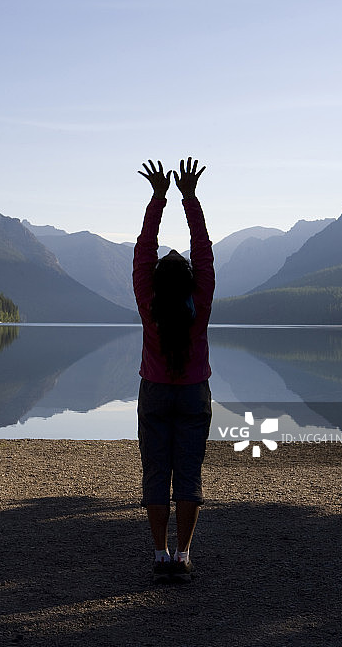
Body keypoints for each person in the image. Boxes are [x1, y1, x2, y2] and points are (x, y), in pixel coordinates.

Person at [133, 156, 214, 583]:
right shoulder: (199, 304)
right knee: (188, 472)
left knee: (155, 470)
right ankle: (183, 555)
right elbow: (203, 249)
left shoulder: (149, 303)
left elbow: (144, 250)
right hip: (193, 393)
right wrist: (189, 198)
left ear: (158, 282)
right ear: (190, 281)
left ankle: (160, 554)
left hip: (155, 394)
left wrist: (158, 199)